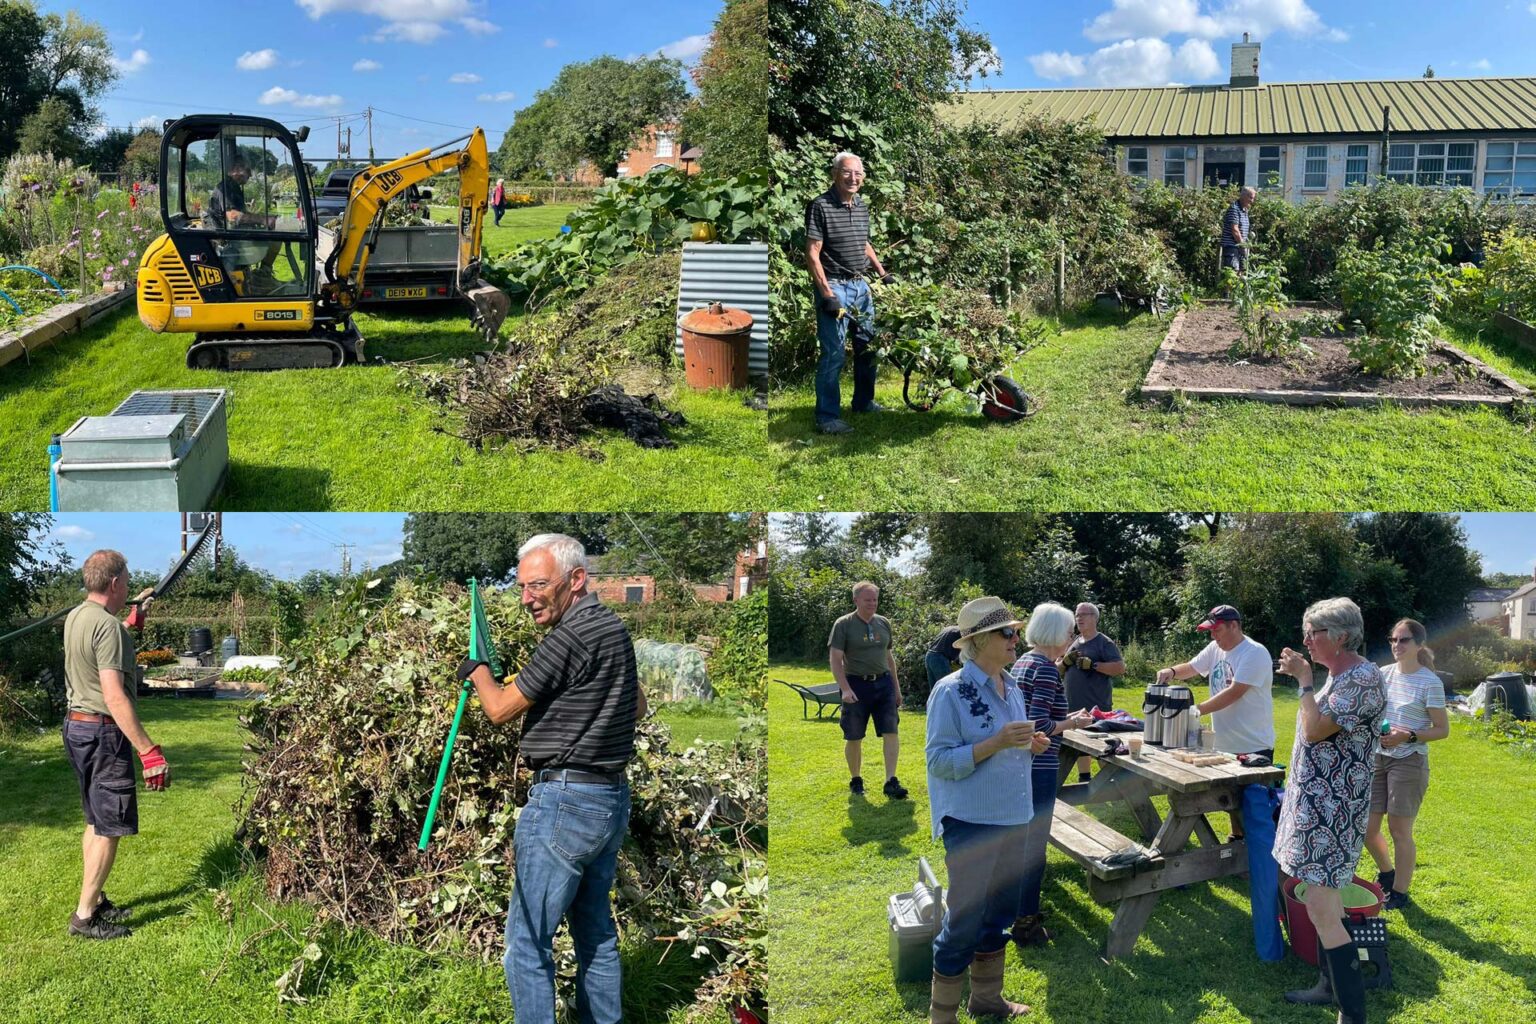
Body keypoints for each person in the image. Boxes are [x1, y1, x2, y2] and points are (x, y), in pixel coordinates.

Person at [455, 533, 646, 1024]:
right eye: (522, 587)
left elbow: (498, 709)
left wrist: (477, 671)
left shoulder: (570, 636)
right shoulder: (612, 629)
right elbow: (639, 704)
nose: (526, 598)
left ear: (576, 579)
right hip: (609, 800)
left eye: (538, 585)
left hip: (564, 803)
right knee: (596, 933)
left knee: (526, 942)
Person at [925, 597, 1050, 1024]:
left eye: (1016, 631)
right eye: (1008, 633)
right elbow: (939, 762)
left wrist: (1029, 747)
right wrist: (995, 743)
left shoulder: (1010, 685)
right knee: (963, 920)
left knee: (998, 915)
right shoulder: (950, 691)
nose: (1017, 639)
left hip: (1014, 818)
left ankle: (986, 1000)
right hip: (972, 823)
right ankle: (941, 1017)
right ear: (977, 642)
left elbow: (1005, 754)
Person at [1274, 597, 1385, 1024]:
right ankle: (1328, 987)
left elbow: (1316, 730)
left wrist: (1304, 682)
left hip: (1333, 815)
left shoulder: (1362, 679)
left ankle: (1352, 1015)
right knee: (1329, 905)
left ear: (1340, 636)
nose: (1306, 641)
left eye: (1313, 633)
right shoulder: (1338, 677)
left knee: (1321, 906)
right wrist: (1309, 680)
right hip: (1315, 810)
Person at [62, 550, 166, 940]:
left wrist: (131, 620)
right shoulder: (109, 628)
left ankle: (95, 897)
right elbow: (114, 695)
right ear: (115, 583)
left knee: (94, 819)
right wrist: (148, 751)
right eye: (126, 581)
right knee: (109, 828)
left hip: (77, 728)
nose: (127, 586)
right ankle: (85, 916)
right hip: (104, 734)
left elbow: (98, 647)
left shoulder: (78, 616)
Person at [1009, 602, 1096, 949]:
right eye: (1070, 632)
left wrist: (1066, 715)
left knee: (1019, 840)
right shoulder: (1045, 668)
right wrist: (1072, 723)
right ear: (1056, 634)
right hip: (1040, 765)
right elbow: (1038, 724)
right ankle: (1026, 922)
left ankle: (1014, 910)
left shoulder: (1023, 661)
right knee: (1033, 845)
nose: (1073, 637)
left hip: (1019, 765)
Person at [1157, 604, 1274, 839]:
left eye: (1217, 630)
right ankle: (1236, 841)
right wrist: (1171, 671)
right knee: (1231, 801)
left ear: (1234, 626)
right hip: (1223, 741)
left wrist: (1194, 710)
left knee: (1254, 806)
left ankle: (1262, 855)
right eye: (1210, 631)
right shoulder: (1215, 648)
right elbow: (1192, 667)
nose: (1213, 636)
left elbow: (1235, 692)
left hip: (1253, 743)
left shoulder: (1255, 652)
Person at [805, 151, 894, 435]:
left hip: (860, 286)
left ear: (863, 178)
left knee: (868, 347)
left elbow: (864, 242)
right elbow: (812, 253)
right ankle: (827, 417)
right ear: (835, 174)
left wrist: (882, 272)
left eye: (857, 173)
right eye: (847, 172)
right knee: (833, 353)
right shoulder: (820, 206)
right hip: (836, 286)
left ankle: (863, 402)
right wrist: (827, 293)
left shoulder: (861, 206)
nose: (852, 178)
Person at [1364, 618, 1448, 912]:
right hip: (1378, 757)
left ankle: (1399, 892)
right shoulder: (1384, 674)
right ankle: (1387, 872)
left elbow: (1442, 729)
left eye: (1404, 640)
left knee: (1399, 830)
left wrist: (1407, 735)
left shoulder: (1430, 682)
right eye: (1393, 639)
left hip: (1409, 761)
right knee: (1367, 828)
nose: (1396, 646)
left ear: (1419, 644)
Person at [829, 581, 907, 798]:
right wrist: (844, 689)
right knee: (854, 736)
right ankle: (856, 779)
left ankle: (891, 781)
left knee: (891, 731)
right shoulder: (843, 624)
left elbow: (889, 659)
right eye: (868, 600)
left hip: (883, 684)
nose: (872, 603)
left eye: (875, 599)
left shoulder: (884, 623)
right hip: (856, 685)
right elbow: (835, 660)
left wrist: (897, 690)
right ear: (856, 600)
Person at [1061, 602, 1125, 784]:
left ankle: (1111, 782)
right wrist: (1064, 662)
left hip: (1097, 706)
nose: (1078, 618)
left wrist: (1094, 665)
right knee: (1080, 745)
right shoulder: (1074, 642)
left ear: (1095, 618)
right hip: (1073, 706)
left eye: (1083, 614)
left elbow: (1120, 668)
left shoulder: (1104, 642)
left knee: (1100, 745)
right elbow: (1059, 670)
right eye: (1077, 615)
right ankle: (1084, 779)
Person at [206, 153, 279, 290]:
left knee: (274, 238)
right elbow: (233, 216)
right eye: (248, 170)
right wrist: (263, 219)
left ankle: (261, 275)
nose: (250, 175)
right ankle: (263, 275)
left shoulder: (233, 187)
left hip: (231, 236)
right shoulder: (226, 188)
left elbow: (241, 214)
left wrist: (260, 220)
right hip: (228, 242)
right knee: (276, 239)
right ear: (237, 169)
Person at [1221, 186, 1256, 273]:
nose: (1252, 201)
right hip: (1232, 247)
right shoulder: (1234, 209)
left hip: (1239, 247)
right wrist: (1242, 245)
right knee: (1232, 274)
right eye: (1251, 198)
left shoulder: (1244, 210)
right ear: (1243, 196)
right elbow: (1235, 230)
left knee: (1241, 273)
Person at [925, 624, 963, 692]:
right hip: (939, 658)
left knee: (935, 690)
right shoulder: (961, 632)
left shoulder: (950, 628)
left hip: (929, 655)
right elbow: (964, 653)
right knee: (947, 688)